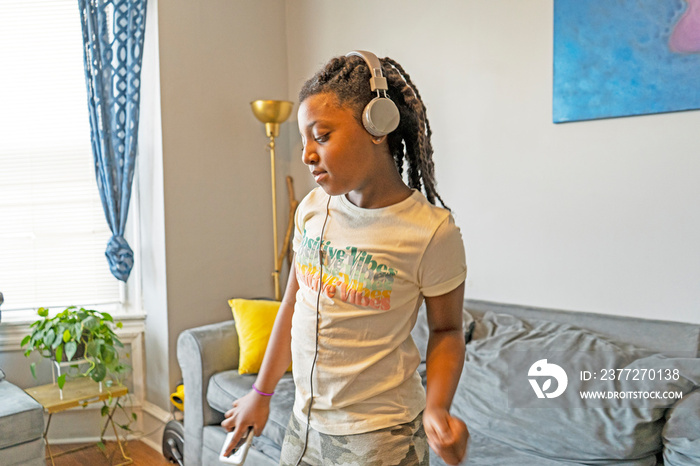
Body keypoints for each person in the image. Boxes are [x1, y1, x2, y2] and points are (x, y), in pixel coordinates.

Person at [222, 51, 468, 466]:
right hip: (303, 424)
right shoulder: (312, 209)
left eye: (321, 135)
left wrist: (438, 407)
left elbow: (447, 330)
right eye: (303, 140)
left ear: (378, 126)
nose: (306, 155)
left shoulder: (431, 232)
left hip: (379, 438)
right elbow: (293, 304)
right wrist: (260, 395)